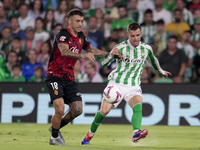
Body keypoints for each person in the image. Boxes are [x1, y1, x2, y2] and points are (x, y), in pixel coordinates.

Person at [81, 22, 171, 145]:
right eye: (133, 36)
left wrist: (160, 71)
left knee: (138, 105)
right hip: (116, 83)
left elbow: (153, 60)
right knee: (104, 112)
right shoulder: (120, 47)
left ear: (141, 34)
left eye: (138, 35)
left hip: (133, 84)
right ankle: (89, 134)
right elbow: (103, 64)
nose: (135, 38)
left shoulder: (146, 48)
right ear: (128, 35)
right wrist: (112, 55)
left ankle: (136, 133)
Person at [45, 9, 120, 145]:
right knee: (60, 108)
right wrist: (82, 55)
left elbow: (92, 50)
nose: (80, 23)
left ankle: (55, 128)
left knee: (77, 110)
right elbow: (64, 51)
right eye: (77, 21)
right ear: (70, 21)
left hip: (69, 78)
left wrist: (111, 55)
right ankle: (54, 138)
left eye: (82, 21)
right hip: (54, 76)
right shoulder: (62, 34)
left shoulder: (81, 37)